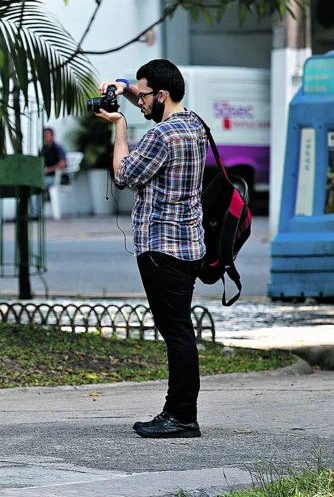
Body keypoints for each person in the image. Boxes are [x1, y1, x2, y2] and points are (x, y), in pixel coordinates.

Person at [95, 60, 207, 439]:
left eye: (143, 97)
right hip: (188, 244)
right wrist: (124, 86)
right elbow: (149, 97)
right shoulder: (193, 124)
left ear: (161, 95)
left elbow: (123, 174)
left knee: (176, 331)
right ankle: (178, 411)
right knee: (179, 328)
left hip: (163, 247)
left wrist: (120, 126)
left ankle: (181, 415)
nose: (138, 102)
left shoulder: (161, 137)